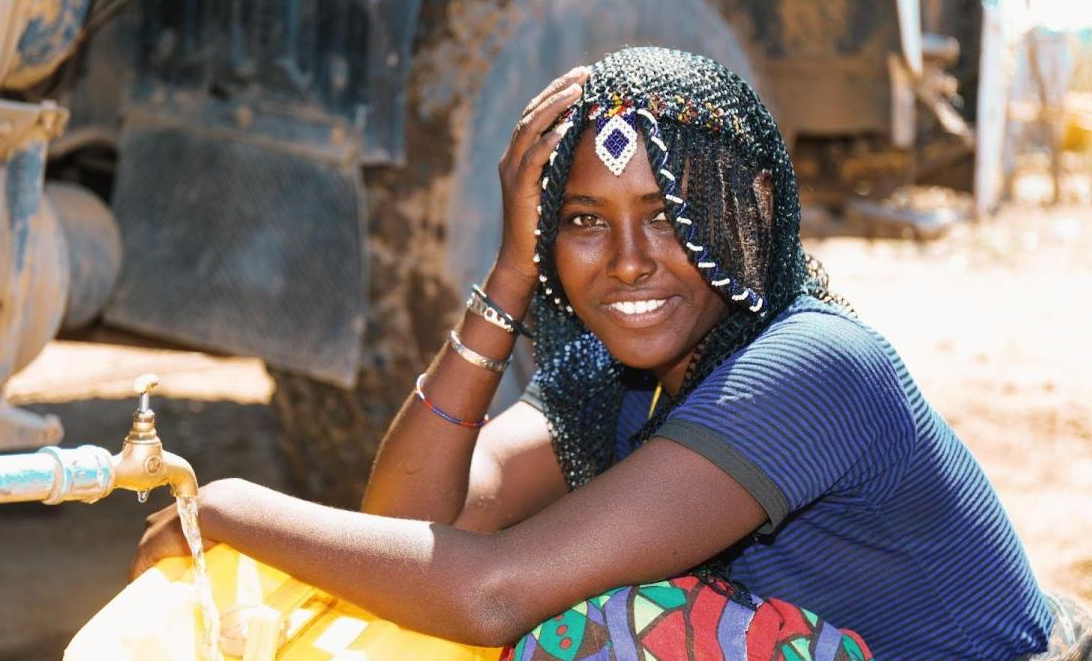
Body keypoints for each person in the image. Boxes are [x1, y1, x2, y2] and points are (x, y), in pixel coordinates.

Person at [134, 47, 1055, 658]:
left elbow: (491, 592)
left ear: (757, 210)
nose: (625, 262)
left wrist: (222, 505)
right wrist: (507, 277)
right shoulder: (610, 381)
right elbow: (412, 518)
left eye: (670, 217)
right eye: (581, 222)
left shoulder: (812, 366)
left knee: (615, 627)